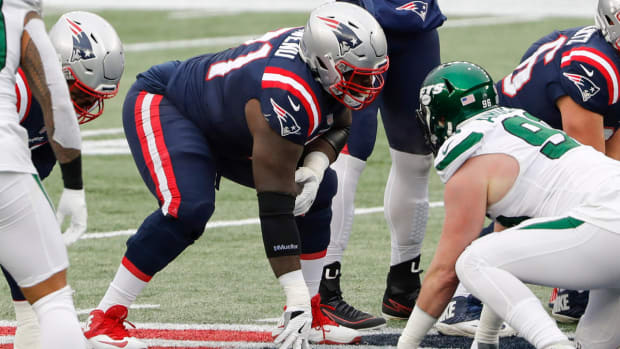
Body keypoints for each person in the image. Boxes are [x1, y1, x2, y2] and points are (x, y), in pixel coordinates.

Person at [83, 2, 389, 348]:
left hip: (230, 122)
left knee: (321, 187)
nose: (370, 85)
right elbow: (275, 203)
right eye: (358, 75)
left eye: (373, 74)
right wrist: (294, 297)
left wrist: (316, 167)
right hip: (170, 103)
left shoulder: (323, 68)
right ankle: (104, 318)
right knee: (188, 208)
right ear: (322, 62)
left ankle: (315, 312)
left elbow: (339, 125)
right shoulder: (286, 90)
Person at [398, 60, 620, 349]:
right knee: (593, 344)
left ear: (442, 118)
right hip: (607, 222)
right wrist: (486, 340)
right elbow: (506, 254)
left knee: (471, 259)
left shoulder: (470, 154)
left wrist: (406, 344)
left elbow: (446, 273)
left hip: (605, 223)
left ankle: (553, 344)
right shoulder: (512, 126)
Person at [436, 0, 620, 336]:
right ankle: (463, 301)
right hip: (510, 138)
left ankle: (572, 295)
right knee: (557, 201)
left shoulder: (606, 60)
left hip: (553, 130)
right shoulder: (593, 67)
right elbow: (592, 172)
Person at [317, 0, 446, 330]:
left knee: (417, 156)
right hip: (356, 21)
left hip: (416, 23)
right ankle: (323, 291)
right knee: (348, 151)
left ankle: (404, 285)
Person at [1, 11, 125, 349]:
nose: (86, 108)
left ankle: (33, 329)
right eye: (83, 96)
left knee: (38, 272)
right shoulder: (22, 91)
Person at [0, 0, 88, 348]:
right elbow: (60, 104)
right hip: (4, 164)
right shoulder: (17, 16)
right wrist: (74, 185)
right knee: (52, 303)